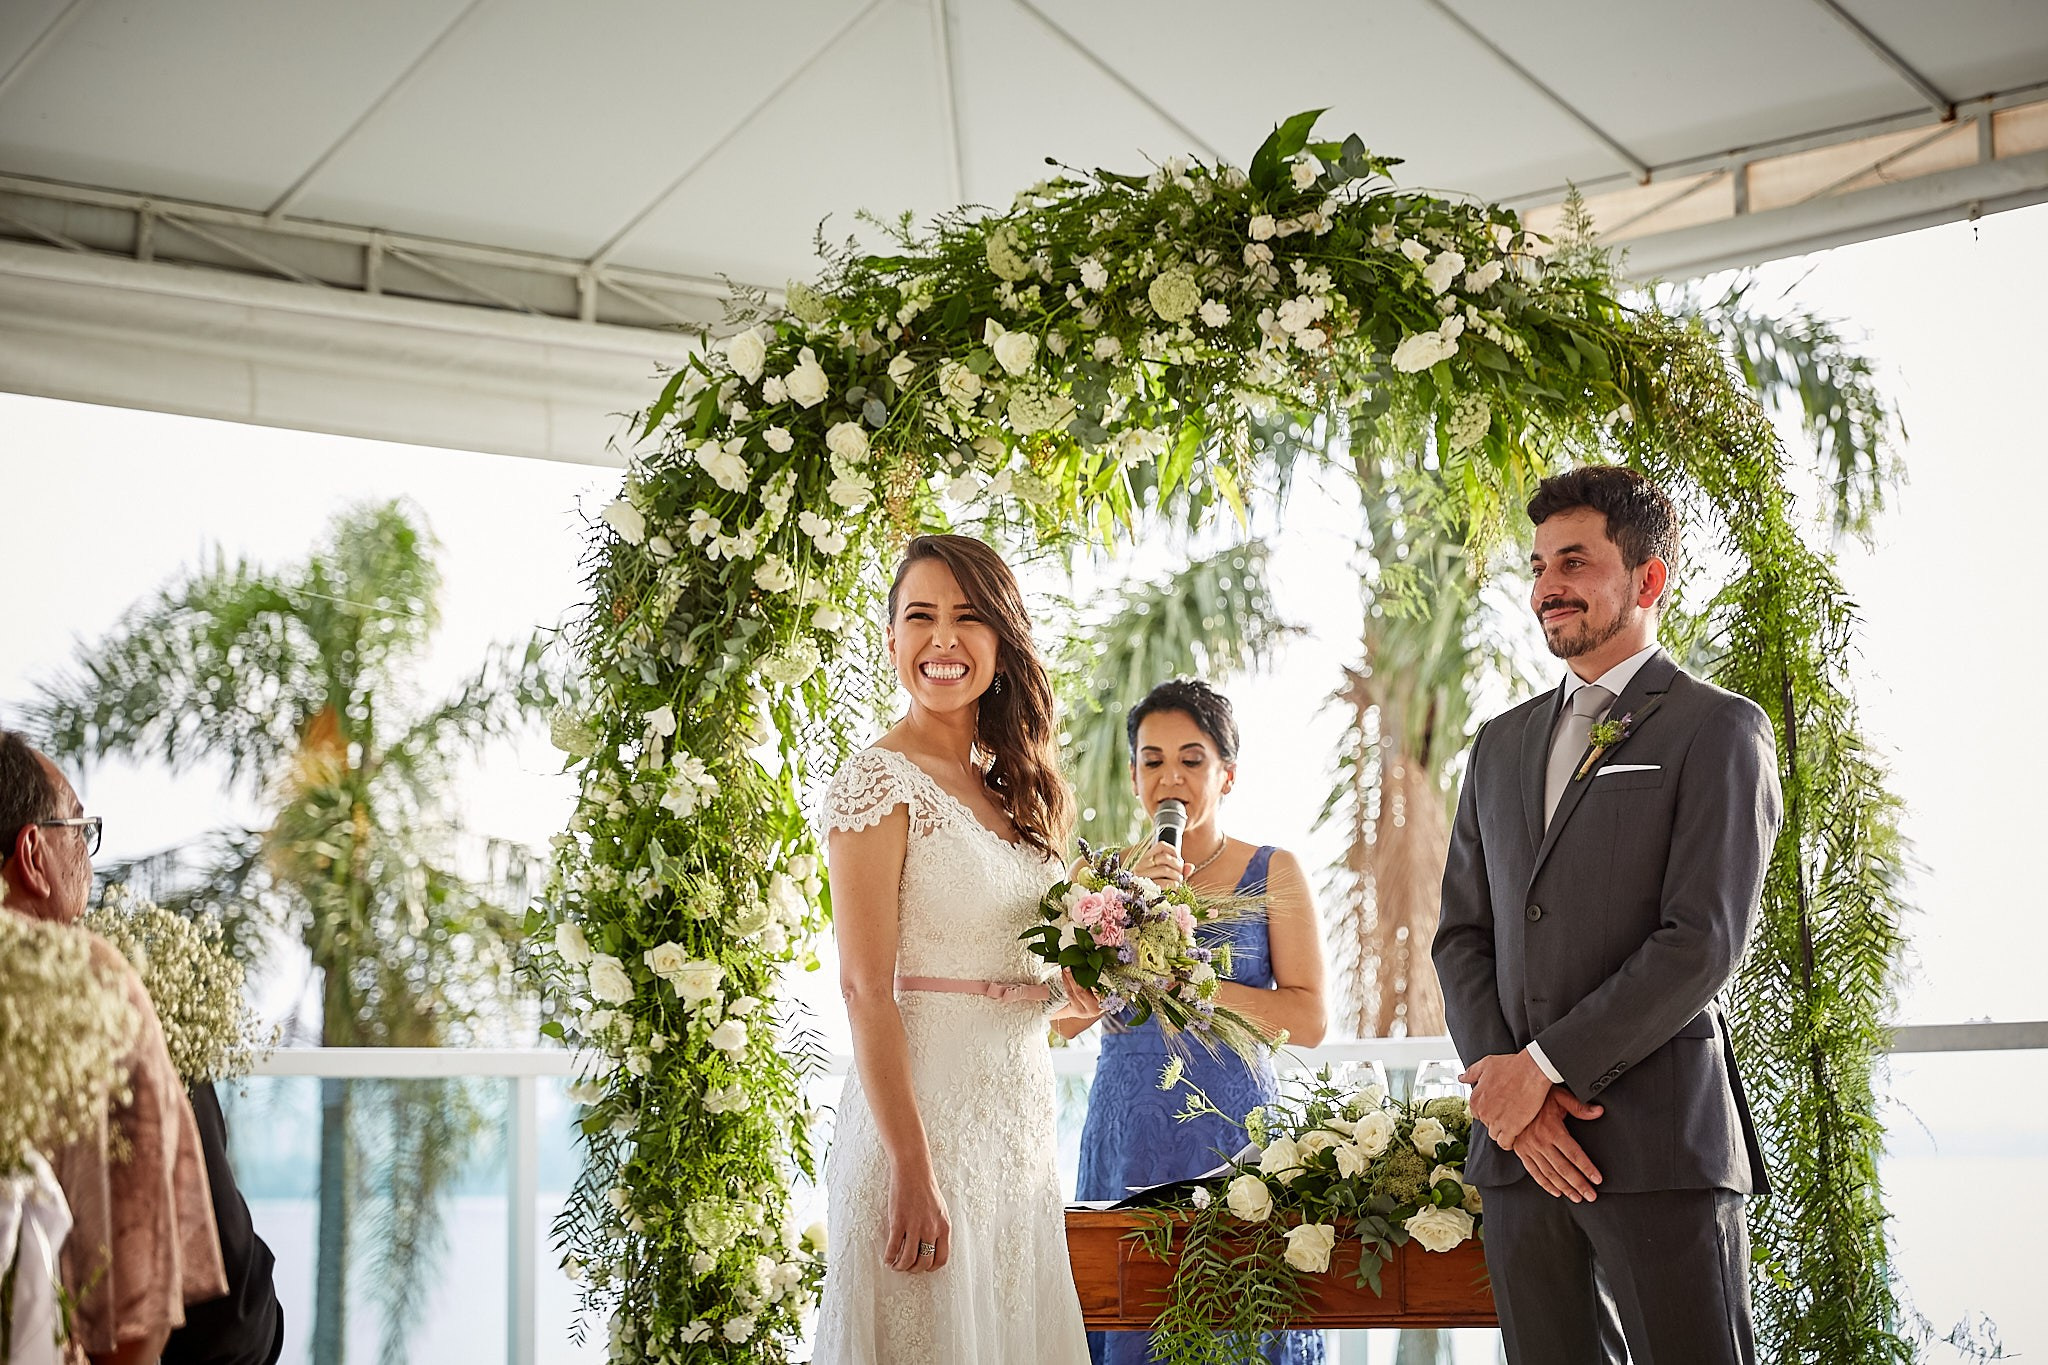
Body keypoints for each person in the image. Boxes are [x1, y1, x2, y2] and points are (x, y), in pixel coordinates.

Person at [1432, 467, 1780, 1365]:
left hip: (1660, 1149)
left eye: (1575, 562)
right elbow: (1462, 936)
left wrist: (1542, 1069)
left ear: (1647, 580)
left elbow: (1701, 941)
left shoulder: (1718, 730)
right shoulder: (1500, 741)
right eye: (1540, 564)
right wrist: (1508, 1098)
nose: (1547, 585)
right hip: (1518, 1159)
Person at [813, 534, 1100, 1364]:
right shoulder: (876, 783)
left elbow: (1035, 996)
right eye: (921, 617)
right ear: (893, 640)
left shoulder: (1016, 792)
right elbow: (868, 990)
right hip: (922, 1132)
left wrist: (1090, 987)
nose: (944, 639)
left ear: (1001, 643)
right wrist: (911, 1166)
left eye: (968, 617)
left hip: (1016, 1138)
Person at [1071, 678, 1329, 1365]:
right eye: (1152, 760)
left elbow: (1308, 1017)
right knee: (1130, 1316)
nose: (1171, 776)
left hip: (1235, 1141)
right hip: (1127, 1143)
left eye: (1191, 758)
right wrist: (1126, 911)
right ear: (1132, 777)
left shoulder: (1275, 871)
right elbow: (1061, 1021)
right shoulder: (1096, 882)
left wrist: (1199, 985)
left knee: (1241, 1321)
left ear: (1227, 773)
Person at [0, 730, 229, 1365]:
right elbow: (139, 1299)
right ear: (32, 853)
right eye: (77, 827)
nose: (89, 856)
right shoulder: (93, 984)